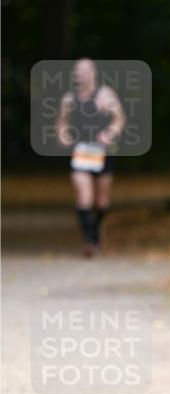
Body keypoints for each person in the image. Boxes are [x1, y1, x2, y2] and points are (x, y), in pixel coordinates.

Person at [56, 58, 126, 256]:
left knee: (101, 202)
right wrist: (64, 137)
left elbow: (119, 118)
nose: (80, 75)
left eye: (84, 71)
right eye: (77, 71)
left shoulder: (105, 95)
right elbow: (61, 123)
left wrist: (109, 133)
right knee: (84, 197)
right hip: (81, 153)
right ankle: (89, 242)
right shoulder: (69, 99)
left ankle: (96, 232)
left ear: (93, 72)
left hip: (103, 152)